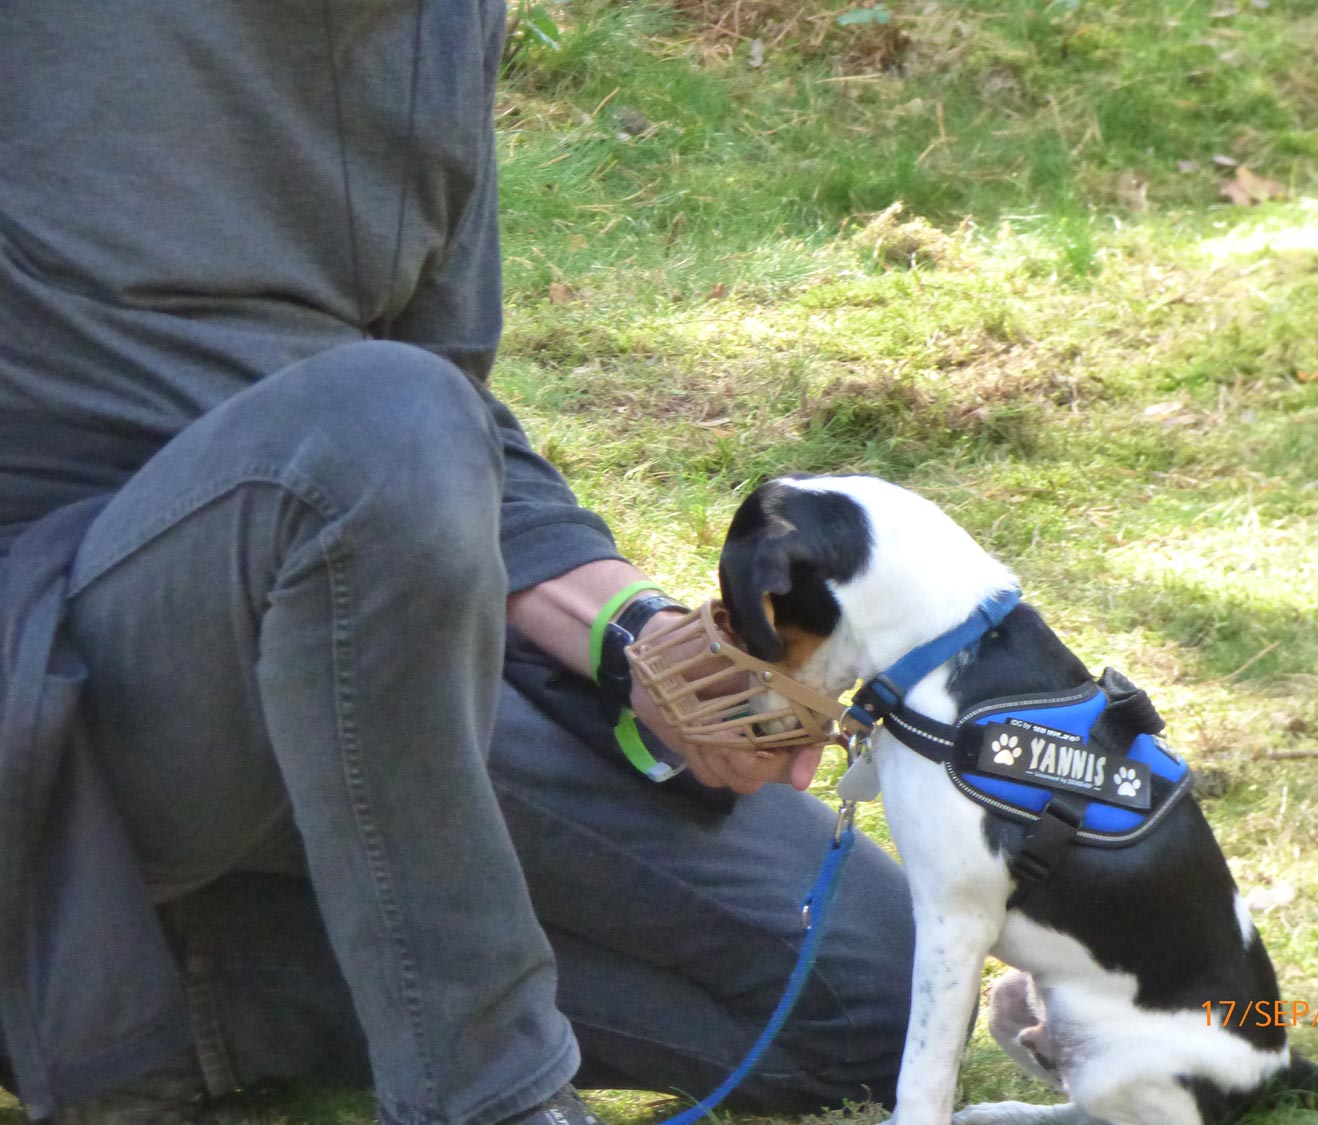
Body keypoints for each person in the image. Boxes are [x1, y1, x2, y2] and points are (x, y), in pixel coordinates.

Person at [0, 3, 915, 1123]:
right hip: (57, 665)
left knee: (875, 985)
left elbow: (446, 409)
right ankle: (491, 1096)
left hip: (360, 643)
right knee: (375, 426)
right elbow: (391, 428)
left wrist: (633, 638)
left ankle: (124, 985)